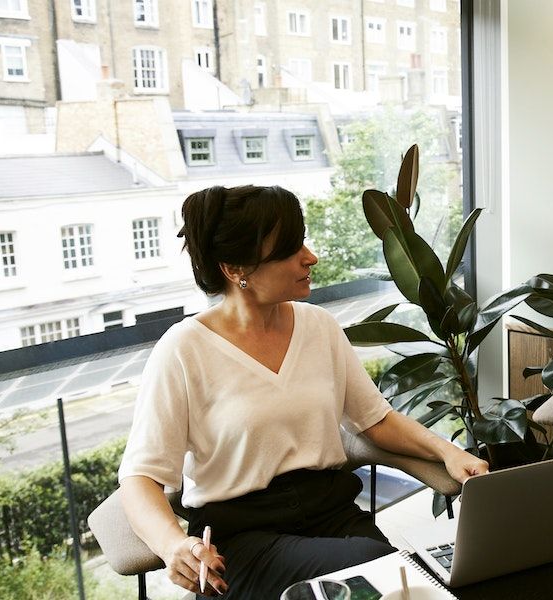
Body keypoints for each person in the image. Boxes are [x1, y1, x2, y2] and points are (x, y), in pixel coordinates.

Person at [117, 185, 488, 599]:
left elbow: (375, 420)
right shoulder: (183, 349)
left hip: (334, 516)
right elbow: (140, 477)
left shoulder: (319, 327)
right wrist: (173, 545)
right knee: (377, 570)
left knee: (408, 584)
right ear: (236, 268)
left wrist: (449, 452)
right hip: (245, 541)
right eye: (290, 249)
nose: (310, 257)